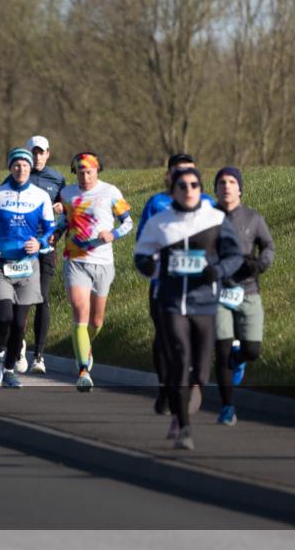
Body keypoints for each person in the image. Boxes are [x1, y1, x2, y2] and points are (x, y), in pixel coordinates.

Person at [134, 167, 243, 449]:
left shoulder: (215, 219)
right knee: (180, 359)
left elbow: (234, 256)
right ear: (174, 191)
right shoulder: (160, 222)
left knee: (202, 373)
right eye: (182, 185)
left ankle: (178, 401)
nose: (189, 190)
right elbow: (141, 253)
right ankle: (183, 426)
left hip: (204, 302)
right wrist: (147, 265)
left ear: (200, 188)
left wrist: (217, 271)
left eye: (194, 185)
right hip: (171, 301)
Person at [136, 153, 215, 415]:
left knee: (193, 341)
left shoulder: (207, 204)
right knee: (164, 339)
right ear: (169, 175)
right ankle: (164, 388)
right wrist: (151, 262)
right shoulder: (156, 204)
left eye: (190, 173)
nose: (185, 180)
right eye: (179, 173)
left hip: (198, 286)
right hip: (164, 284)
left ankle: (189, 384)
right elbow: (143, 242)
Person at [0, 149, 56, 388]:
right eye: (17, 165)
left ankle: (9, 370)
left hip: (27, 267)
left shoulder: (41, 196)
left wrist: (39, 242)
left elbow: (50, 228)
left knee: (20, 324)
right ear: (10, 167)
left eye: (25, 165)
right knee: (4, 315)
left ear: (31, 168)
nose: (21, 169)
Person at [60, 152, 133, 392]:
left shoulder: (111, 192)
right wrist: (54, 231)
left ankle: (86, 347)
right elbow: (63, 223)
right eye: (80, 172)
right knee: (80, 312)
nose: (84, 176)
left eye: (88, 172)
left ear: (97, 171)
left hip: (103, 263)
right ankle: (83, 370)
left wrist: (113, 234)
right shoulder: (68, 194)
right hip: (76, 260)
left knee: (97, 321)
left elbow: (128, 223)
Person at [213, 167, 275, 426]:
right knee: (222, 348)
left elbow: (269, 245)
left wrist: (261, 263)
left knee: (252, 350)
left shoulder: (253, 218)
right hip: (217, 293)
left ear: (240, 188)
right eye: (221, 183)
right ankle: (227, 407)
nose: (226, 186)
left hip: (248, 290)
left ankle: (240, 359)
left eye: (231, 182)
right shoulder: (208, 218)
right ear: (215, 190)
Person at [19, 135, 66, 375]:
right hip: (22, 247)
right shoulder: (18, 176)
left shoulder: (57, 179)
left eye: (42, 152)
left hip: (47, 246)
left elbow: (69, 209)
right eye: (33, 152)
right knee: (23, 299)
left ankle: (39, 355)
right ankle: (19, 344)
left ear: (48, 153)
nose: (37, 157)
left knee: (43, 298)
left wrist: (62, 207)